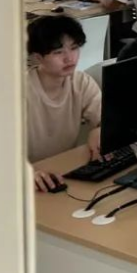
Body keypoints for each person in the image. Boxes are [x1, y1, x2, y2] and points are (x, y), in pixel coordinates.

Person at [26, 16, 101, 187]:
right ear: (38, 57)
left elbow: (107, 119)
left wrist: (99, 129)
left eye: (74, 48)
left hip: (64, 170)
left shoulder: (81, 82)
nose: (69, 58)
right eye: (58, 52)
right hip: (27, 180)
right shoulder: (18, 92)